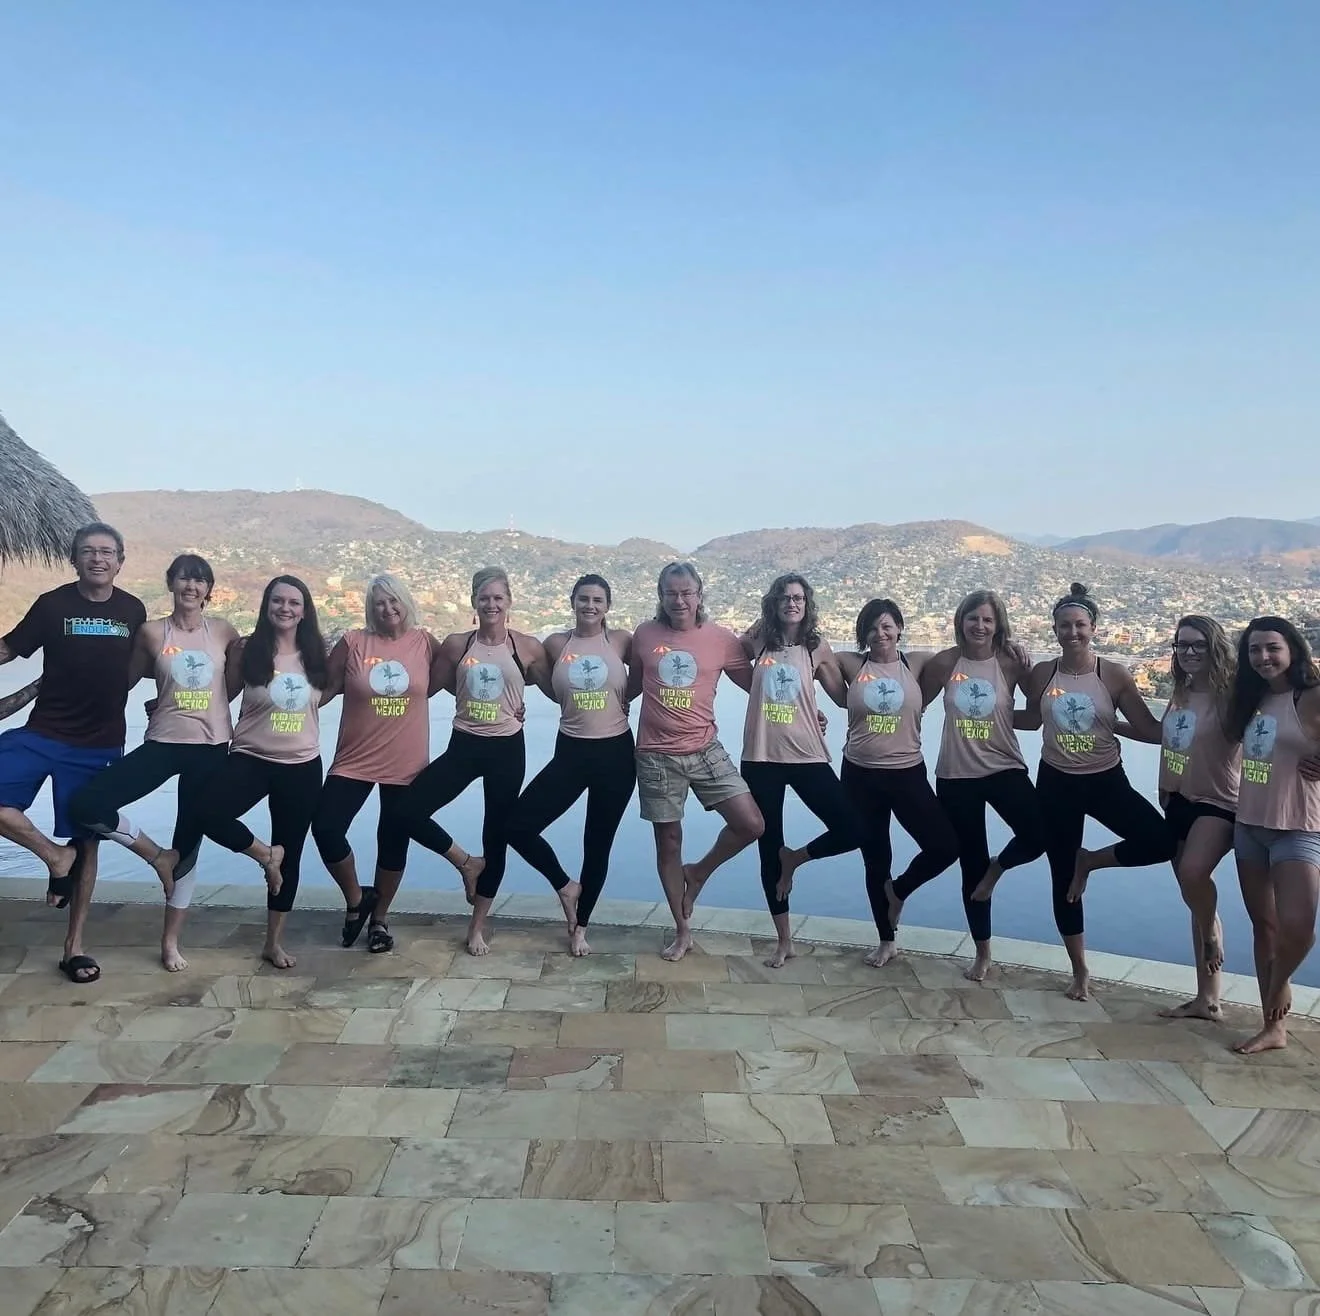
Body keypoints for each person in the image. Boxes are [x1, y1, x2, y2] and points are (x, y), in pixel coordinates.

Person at [67, 554, 238, 971]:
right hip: (162, 741)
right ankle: (155, 855)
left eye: (199, 581)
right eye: (184, 578)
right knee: (88, 804)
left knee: (190, 845)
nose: (191, 587)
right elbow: (124, 680)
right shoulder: (149, 633)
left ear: (208, 590)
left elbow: (232, 685)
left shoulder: (224, 632)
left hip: (212, 747)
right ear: (171, 583)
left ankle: (170, 942)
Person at [0, 522, 147, 983]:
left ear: (120, 561)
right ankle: (53, 857)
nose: (98, 559)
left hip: (100, 742)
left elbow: (150, 663)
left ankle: (74, 947)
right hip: (44, 730)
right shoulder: (53, 604)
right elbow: (9, 647)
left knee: (88, 840)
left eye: (107, 552)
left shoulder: (132, 610)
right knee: (63, 848)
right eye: (88, 551)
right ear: (75, 559)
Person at [1016, 583, 1175, 1001]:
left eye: (1080, 625)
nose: (1073, 632)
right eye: (1065, 625)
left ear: (1094, 628)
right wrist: (967, 714)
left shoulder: (1113, 674)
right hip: (1056, 783)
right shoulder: (1042, 673)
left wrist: (1188, 713)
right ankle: (1080, 971)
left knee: (1162, 841)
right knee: (1061, 878)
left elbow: (1151, 730)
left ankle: (1092, 860)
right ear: (1054, 629)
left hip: (1106, 780)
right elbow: (1032, 721)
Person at [311, 573, 482, 954]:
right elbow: (324, 690)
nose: (387, 609)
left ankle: (380, 921)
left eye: (393, 601)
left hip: (405, 761)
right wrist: (278, 705)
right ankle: (357, 899)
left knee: (392, 841)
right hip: (353, 758)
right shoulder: (354, 642)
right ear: (369, 609)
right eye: (378, 604)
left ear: (406, 603)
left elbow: (462, 682)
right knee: (325, 827)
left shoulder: (424, 644)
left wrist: (505, 703)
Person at [399, 567, 548, 956]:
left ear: (509, 602)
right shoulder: (456, 644)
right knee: (408, 811)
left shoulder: (527, 647)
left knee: (495, 837)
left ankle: (476, 927)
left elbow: (554, 687)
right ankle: (465, 862)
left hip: (507, 750)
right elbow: (432, 686)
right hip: (463, 745)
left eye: (499, 597)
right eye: (485, 598)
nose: (492, 604)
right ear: (474, 602)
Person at [627, 561, 763, 961]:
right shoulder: (645, 634)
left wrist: (808, 711)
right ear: (661, 596)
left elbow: (757, 686)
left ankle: (698, 872)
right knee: (668, 843)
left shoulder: (720, 639)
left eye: (687, 592)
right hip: (656, 755)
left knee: (751, 824)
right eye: (671, 593)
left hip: (705, 750)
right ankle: (682, 929)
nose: (679, 600)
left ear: (699, 595)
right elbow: (633, 685)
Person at [194, 575, 327, 970]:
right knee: (206, 812)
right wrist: (167, 705)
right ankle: (264, 854)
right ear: (266, 607)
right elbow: (220, 696)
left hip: (302, 766)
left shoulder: (319, 655)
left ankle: (274, 941)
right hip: (250, 759)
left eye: (294, 602)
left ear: (305, 611)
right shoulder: (247, 650)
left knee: (294, 854)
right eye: (277, 601)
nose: (285, 608)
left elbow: (340, 695)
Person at [507, 573, 637, 956]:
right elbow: (526, 673)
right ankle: (566, 886)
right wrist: (513, 704)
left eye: (598, 600)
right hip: (571, 752)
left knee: (597, 845)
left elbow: (652, 672)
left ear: (608, 606)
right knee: (518, 826)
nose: (590, 606)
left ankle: (580, 928)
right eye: (584, 599)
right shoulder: (557, 643)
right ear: (572, 602)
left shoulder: (621, 641)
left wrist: (630, 694)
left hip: (615, 754)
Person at [919, 590, 1044, 982]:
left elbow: (1036, 716)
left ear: (998, 625)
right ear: (961, 621)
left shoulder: (1010, 661)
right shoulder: (945, 663)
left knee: (1039, 833)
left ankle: (998, 868)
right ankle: (982, 953)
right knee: (970, 862)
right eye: (973, 618)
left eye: (988, 620)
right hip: (956, 775)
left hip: (1004, 767)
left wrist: (1004, 716)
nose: (980, 626)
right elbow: (913, 705)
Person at [739, 573, 860, 969]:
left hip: (807, 754)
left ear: (807, 605)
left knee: (853, 827)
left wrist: (896, 682)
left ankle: (798, 858)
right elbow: (730, 663)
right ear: (774, 603)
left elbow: (843, 697)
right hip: (761, 757)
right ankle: (784, 940)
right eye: (785, 598)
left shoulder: (816, 647)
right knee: (767, 844)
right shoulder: (758, 639)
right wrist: (761, 695)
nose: (792, 603)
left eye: (799, 598)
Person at [836, 597, 958, 969]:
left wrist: (1009, 645)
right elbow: (811, 656)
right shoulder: (851, 663)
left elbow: (965, 653)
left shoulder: (917, 662)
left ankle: (899, 890)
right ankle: (886, 941)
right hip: (859, 773)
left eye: (887, 626)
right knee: (876, 858)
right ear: (863, 634)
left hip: (907, 772)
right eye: (872, 628)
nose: (880, 633)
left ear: (900, 628)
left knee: (945, 846)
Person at [1226, 616, 1320, 1055]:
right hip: (1249, 825)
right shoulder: (1252, 699)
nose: (1263, 657)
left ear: (1292, 650)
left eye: (1272, 648)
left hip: (1298, 826)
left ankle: (1278, 984)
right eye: (1254, 650)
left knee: (1298, 929)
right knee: (1264, 925)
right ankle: (1272, 1027)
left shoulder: (1313, 696)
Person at [1144, 616, 1241, 1020]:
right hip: (1177, 800)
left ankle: (1212, 935)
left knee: (1193, 874)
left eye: (1197, 644)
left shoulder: (1233, 695)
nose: (1189, 652)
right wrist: (1109, 726)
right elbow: (1166, 736)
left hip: (1219, 802)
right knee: (1192, 896)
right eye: (1182, 645)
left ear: (1214, 645)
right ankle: (1207, 998)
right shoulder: (1181, 692)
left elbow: (1270, 736)